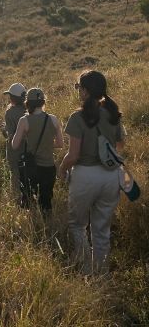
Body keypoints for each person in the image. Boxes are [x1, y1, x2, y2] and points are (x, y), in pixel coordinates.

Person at [59, 70, 126, 275]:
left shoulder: (77, 117)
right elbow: (120, 146)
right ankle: (101, 273)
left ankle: (86, 269)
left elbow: (73, 155)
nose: (78, 91)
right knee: (102, 229)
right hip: (111, 175)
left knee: (78, 225)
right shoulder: (113, 113)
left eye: (79, 87)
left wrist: (62, 169)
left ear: (86, 91)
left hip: (85, 175)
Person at [12, 88, 63, 213]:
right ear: (43, 102)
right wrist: (47, 144)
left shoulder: (24, 120)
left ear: (27, 103)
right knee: (46, 202)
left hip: (31, 167)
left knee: (29, 200)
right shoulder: (53, 119)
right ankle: (47, 224)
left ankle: (32, 226)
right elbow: (60, 144)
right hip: (49, 166)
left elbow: (14, 145)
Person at [0, 82, 27, 202]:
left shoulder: (10, 112)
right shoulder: (29, 109)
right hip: (28, 147)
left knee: (15, 173)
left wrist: (2, 128)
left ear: (13, 98)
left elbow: (10, 135)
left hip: (15, 149)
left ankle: (16, 199)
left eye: (10, 96)